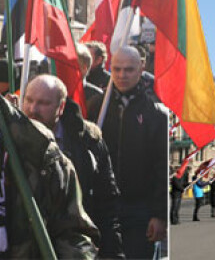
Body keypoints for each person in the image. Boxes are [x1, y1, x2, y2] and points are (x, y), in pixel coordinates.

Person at [23, 74, 124, 258]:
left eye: (43, 103)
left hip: (74, 248)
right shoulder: (10, 139)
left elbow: (107, 202)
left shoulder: (88, 142)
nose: (33, 109)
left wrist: (113, 253)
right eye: (28, 100)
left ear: (60, 107)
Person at [87, 46, 167, 258]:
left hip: (139, 208)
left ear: (141, 69)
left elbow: (161, 166)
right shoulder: (96, 106)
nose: (122, 75)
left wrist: (159, 215)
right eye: (117, 69)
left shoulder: (155, 112)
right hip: (102, 206)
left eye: (129, 69)